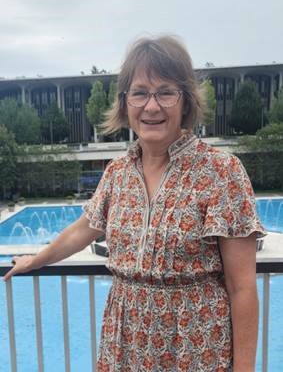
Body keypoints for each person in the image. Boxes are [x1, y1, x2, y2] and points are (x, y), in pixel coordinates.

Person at [4, 36, 265, 371]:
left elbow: (242, 288)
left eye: (166, 92)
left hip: (195, 348)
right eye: (140, 93)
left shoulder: (221, 172)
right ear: (125, 103)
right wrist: (37, 259)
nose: (151, 106)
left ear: (185, 101)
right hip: (125, 343)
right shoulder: (118, 172)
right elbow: (85, 227)